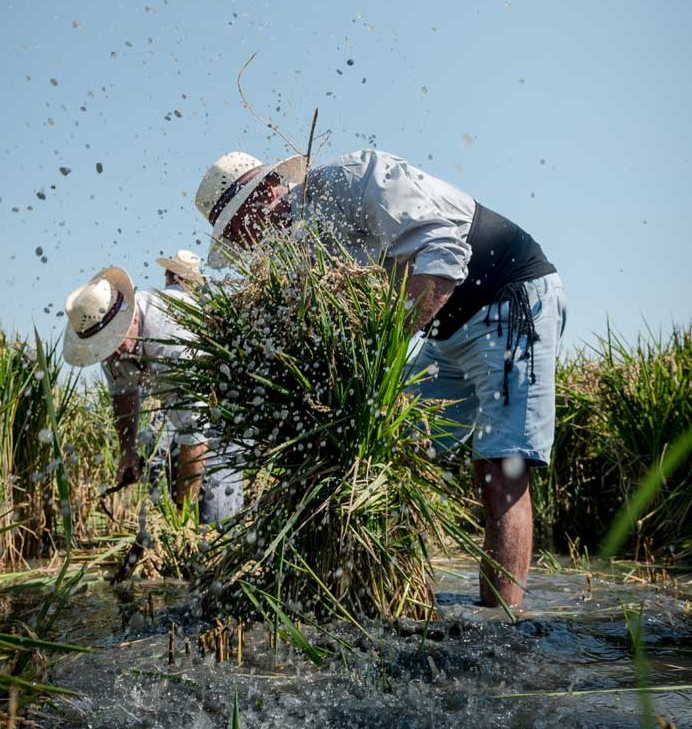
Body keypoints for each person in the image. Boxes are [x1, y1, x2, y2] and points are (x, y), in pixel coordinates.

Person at [194, 149, 567, 608]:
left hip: (507, 299)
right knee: (390, 450)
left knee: (500, 469)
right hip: (445, 333)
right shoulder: (304, 248)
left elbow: (444, 253)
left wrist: (381, 356)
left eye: (238, 227)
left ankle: (503, 622)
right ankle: (392, 596)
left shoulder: (349, 179)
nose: (246, 244)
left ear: (266, 190)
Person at [62, 263, 242, 524]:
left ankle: (216, 536)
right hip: (186, 414)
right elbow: (123, 393)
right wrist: (127, 450)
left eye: (115, 341)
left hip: (225, 409)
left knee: (213, 512)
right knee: (170, 473)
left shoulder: (170, 338)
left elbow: (195, 434)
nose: (113, 354)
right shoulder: (113, 350)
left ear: (132, 318)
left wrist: (181, 522)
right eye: (104, 347)